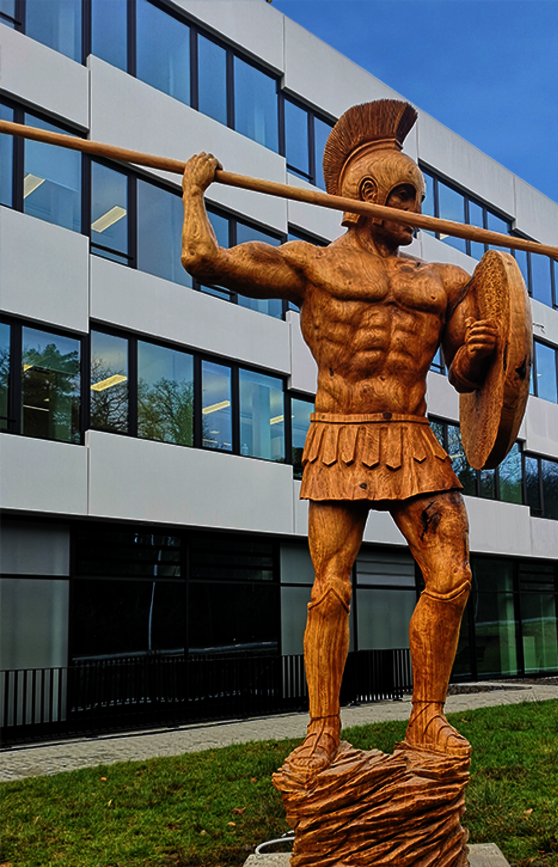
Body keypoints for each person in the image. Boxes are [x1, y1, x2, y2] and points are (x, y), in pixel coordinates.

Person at [181, 99, 497, 780]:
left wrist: (477, 346)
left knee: (452, 575)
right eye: (406, 194)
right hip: (341, 438)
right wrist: (193, 189)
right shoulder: (311, 267)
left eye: (419, 193)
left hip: (413, 438)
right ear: (364, 197)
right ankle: (323, 732)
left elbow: (468, 373)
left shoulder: (444, 281)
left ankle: (427, 718)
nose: (418, 207)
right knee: (331, 588)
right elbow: (202, 259)